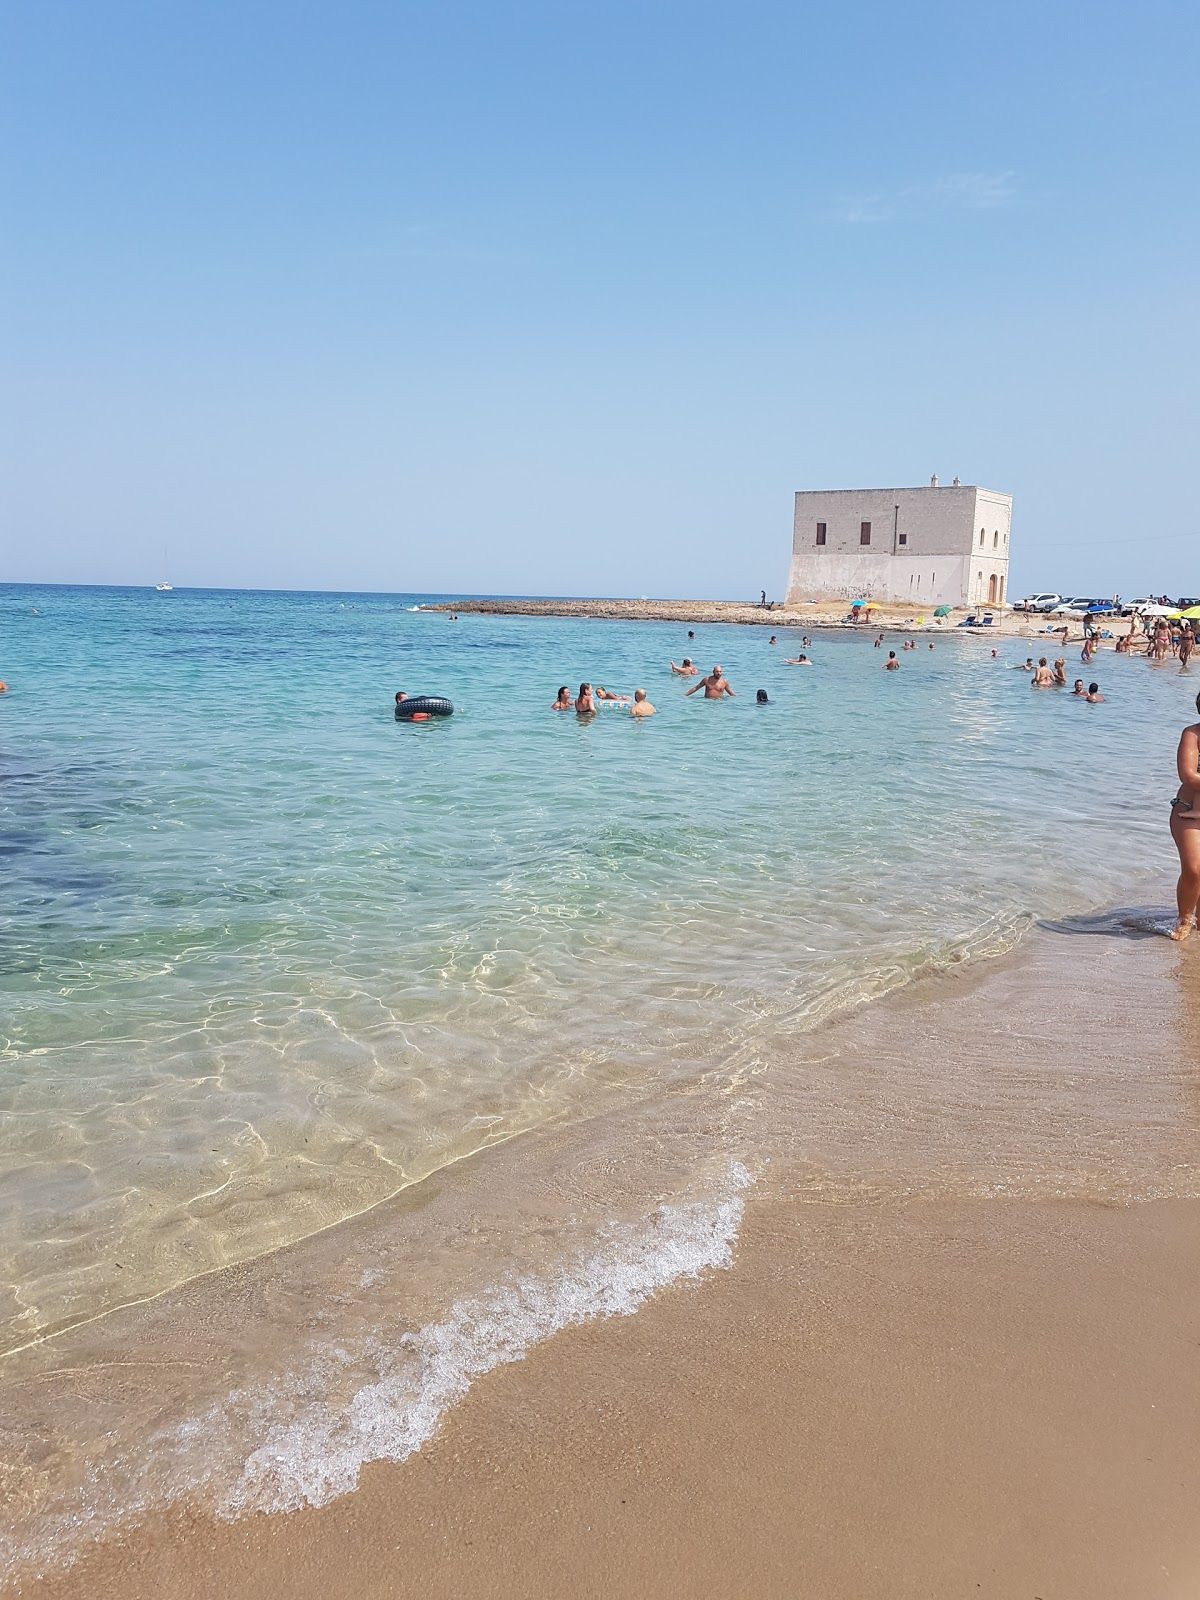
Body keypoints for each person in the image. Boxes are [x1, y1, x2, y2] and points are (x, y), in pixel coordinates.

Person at [1168, 690, 1200, 939]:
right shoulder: (1192, 734)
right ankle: (1184, 918)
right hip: (1188, 809)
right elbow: (1187, 775)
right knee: (1194, 867)